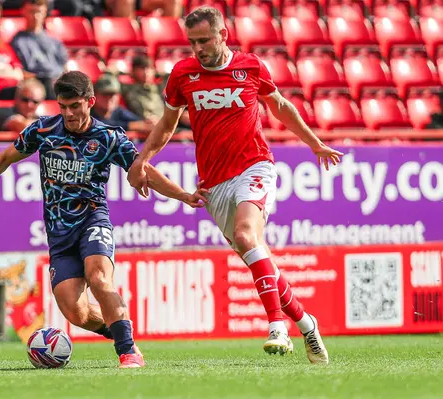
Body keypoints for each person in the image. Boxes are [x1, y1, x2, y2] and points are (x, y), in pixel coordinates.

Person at [127, 7, 343, 364]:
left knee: (246, 235)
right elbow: (167, 124)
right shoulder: (183, 74)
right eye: (192, 42)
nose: (198, 48)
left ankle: (277, 326)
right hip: (214, 183)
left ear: (223, 34)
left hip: (254, 166)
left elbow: (281, 107)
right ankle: (307, 323)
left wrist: (314, 142)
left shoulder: (250, 66)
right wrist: (143, 158)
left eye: (204, 40)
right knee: (259, 259)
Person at [0, 71, 206, 368]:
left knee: (98, 277)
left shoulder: (108, 137)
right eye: (63, 106)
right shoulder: (43, 131)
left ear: (90, 102)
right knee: (75, 312)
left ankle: (128, 351)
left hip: (93, 220)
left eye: (75, 106)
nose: (69, 113)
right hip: (59, 234)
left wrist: (184, 195)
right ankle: (120, 327)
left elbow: (143, 170)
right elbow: (5, 157)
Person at [10, 0, 67, 100]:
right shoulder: (17, 41)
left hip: (57, 81)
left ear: (45, 12)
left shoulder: (54, 40)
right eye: (31, 11)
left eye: (38, 12)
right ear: (23, 11)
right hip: (37, 83)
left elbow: (64, 66)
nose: (35, 16)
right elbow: (20, 71)